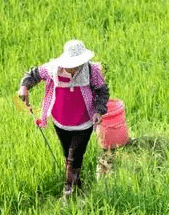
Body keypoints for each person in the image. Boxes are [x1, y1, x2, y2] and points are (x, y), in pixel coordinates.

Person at [18, 40, 109, 196]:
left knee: (74, 156)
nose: (73, 67)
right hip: (60, 122)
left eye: (77, 64)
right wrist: (24, 87)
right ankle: (77, 185)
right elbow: (33, 74)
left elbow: (102, 91)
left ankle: (68, 191)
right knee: (68, 155)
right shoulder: (54, 69)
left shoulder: (91, 71)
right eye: (71, 63)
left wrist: (99, 111)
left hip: (84, 122)